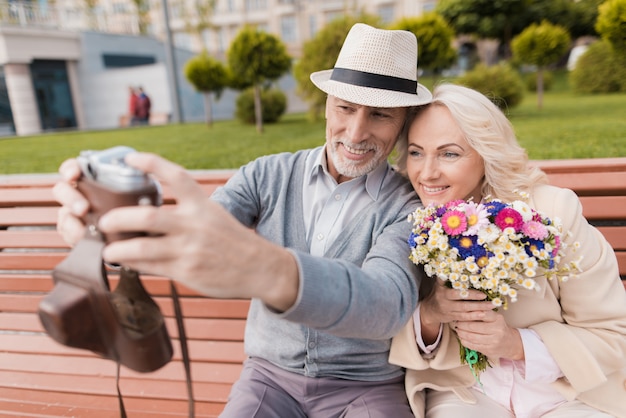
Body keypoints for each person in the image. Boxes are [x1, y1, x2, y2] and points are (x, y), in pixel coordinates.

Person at [53, 23, 433, 417]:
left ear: (403, 122)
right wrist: (110, 231)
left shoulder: (407, 205)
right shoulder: (265, 175)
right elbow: (197, 230)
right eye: (345, 108)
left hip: (365, 387)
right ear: (326, 103)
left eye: (380, 115)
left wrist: (269, 270)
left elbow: (386, 302)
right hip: (270, 378)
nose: (355, 132)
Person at [389, 83, 626, 418]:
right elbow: (385, 318)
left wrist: (516, 344)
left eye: (449, 153)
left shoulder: (551, 212)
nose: (427, 173)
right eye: (416, 152)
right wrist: (430, 315)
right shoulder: (408, 218)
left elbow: (613, 334)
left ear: (487, 153)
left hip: (569, 392)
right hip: (467, 391)